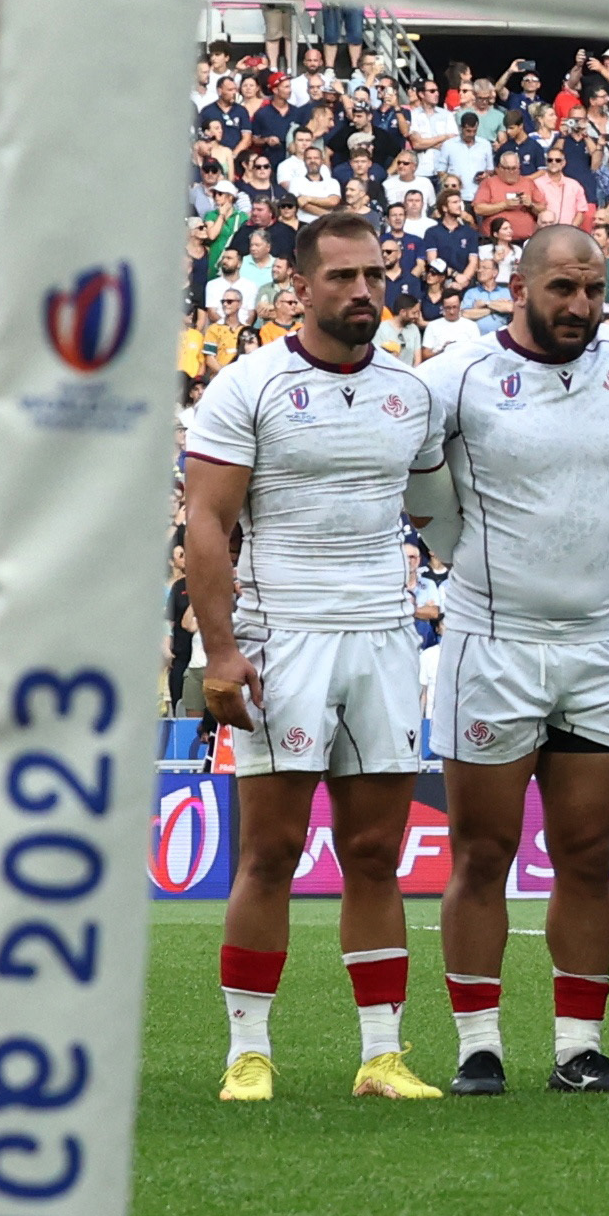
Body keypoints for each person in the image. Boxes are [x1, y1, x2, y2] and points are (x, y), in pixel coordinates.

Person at [177, 211, 453, 1101]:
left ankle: (382, 1055)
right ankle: (248, 1052)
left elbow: (436, 506)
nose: (362, 290)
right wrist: (220, 652)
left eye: (374, 273)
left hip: (381, 634)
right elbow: (206, 525)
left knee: (376, 850)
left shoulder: (411, 394)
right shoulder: (247, 385)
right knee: (271, 850)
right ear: (300, 287)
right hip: (279, 634)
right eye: (342, 276)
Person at [422, 219, 609, 1096]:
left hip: (597, 646)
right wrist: (445, 533)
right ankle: (477, 1046)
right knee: (482, 851)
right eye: (562, 289)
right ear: (521, 288)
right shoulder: (458, 374)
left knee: (588, 851)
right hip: (491, 643)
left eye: (591, 291)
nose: (580, 305)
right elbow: (399, 454)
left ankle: (579, 1048)